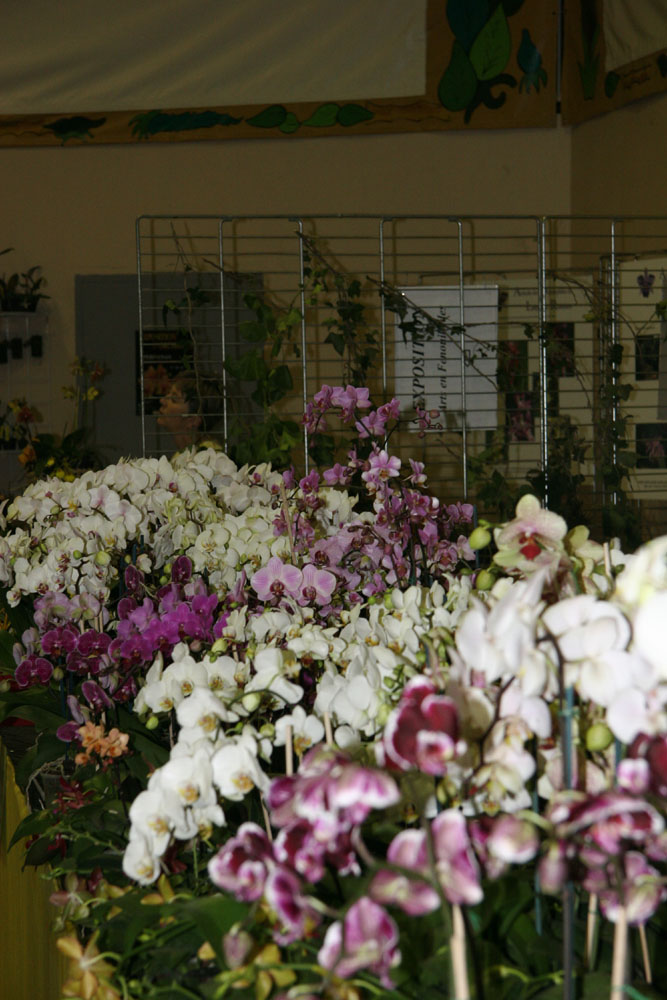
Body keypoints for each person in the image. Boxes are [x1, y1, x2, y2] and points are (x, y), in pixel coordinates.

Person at [157, 371, 222, 450]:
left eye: (174, 400)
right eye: (168, 393)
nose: (162, 401)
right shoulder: (189, 453)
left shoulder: (208, 454)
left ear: (192, 420)